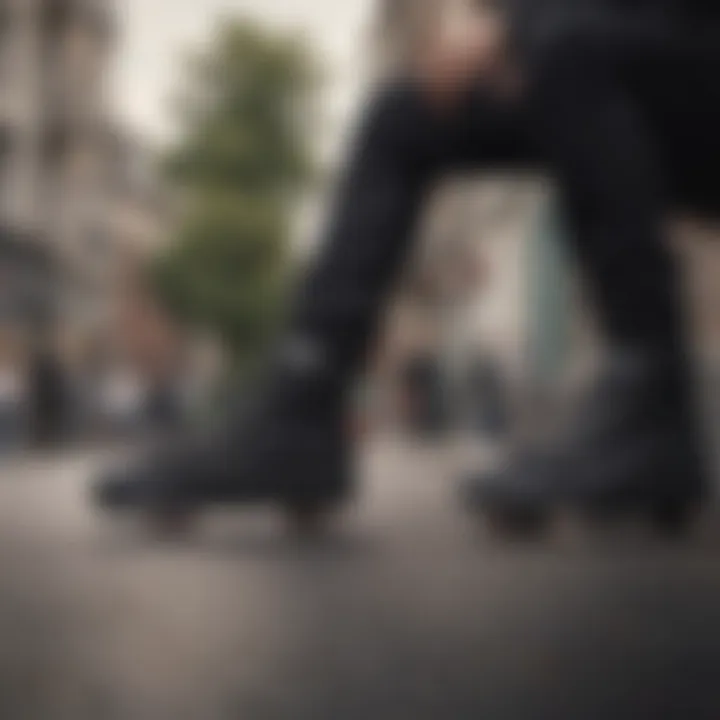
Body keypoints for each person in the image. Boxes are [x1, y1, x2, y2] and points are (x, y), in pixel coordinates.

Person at [94, 0, 719, 530]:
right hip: (614, 72)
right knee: (407, 113)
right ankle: (302, 405)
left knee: (569, 49)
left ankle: (651, 399)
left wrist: (517, 27)